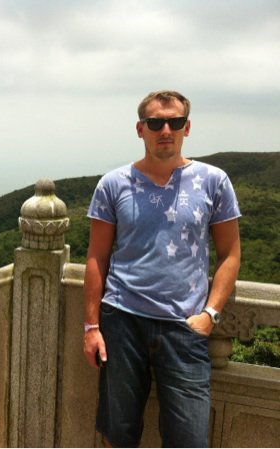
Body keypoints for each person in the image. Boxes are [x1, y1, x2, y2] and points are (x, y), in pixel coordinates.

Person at [83, 90, 241, 447]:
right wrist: (91, 327)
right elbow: (97, 257)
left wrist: (210, 314)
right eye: (155, 123)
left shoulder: (214, 181)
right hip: (122, 320)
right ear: (140, 129)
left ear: (187, 127)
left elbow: (230, 254)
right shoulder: (114, 184)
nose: (165, 130)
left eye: (175, 122)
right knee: (118, 433)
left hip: (184, 326)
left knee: (189, 439)